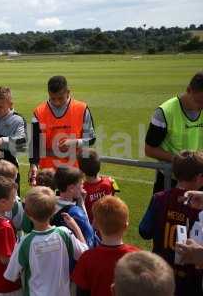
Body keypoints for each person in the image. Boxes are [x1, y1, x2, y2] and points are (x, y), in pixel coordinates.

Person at [4, 186, 88, 296]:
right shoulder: (64, 234)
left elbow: (10, 275)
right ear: (53, 211)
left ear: (28, 214)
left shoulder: (25, 242)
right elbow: (84, 253)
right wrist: (75, 227)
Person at [139, 150, 203, 295]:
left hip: (161, 272)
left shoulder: (159, 198)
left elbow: (144, 231)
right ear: (199, 178)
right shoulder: (200, 206)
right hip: (191, 278)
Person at [29, 75, 96, 184]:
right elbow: (35, 143)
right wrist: (33, 164)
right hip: (47, 174)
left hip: (73, 173)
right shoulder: (39, 112)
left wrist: (74, 142)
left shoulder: (82, 109)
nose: (56, 102)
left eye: (60, 98)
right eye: (52, 98)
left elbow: (91, 139)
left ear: (68, 92)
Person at [145, 71, 203, 193]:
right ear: (188, 90)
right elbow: (149, 150)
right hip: (170, 178)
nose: (201, 107)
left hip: (199, 178)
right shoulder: (165, 112)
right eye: (199, 102)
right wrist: (179, 160)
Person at [72, 196, 139, 296]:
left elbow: (80, 292)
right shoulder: (137, 257)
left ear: (96, 225)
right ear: (126, 226)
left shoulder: (87, 258)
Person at [51, 166, 98, 248]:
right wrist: (82, 203)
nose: (83, 187)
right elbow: (89, 235)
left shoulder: (49, 202)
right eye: (81, 185)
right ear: (71, 188)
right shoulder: (76, 213)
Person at [77, 147, 119, 223]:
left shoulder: (81, 190)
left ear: (81, 169)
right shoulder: (111, 181)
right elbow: (116, 195)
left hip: (90, 228)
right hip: (107, 225)